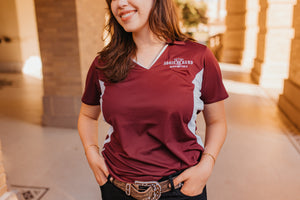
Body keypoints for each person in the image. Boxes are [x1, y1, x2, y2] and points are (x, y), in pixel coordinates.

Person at [77, 0, 228, 199]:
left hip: (181, 188)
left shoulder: (197, 57)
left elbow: (217, 121)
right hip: (117, 188)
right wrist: (91, 153)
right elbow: (87, 115)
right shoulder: (103, 64)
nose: (120, 3)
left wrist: (207, 164)